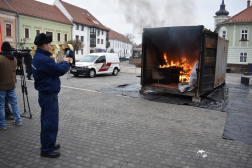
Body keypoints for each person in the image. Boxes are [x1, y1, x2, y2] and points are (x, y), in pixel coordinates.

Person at [32, 33, 70, 158]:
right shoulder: (44, 59)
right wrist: (66, 62)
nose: (50, 46)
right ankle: (47, 149)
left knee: (46, 121)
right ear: (44, 45)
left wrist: (60, 62)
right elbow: (59, 70)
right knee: (50, 122)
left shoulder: (38, 57)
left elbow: (53, 68)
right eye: (49, 44)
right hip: (49, 95)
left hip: (45, 94)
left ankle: (48, 143)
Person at [0, 42, 22, 130]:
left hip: (1, 85)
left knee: (1, 105)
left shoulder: (0, 58)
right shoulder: (14, 59)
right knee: (14, 103)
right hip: (11, 84)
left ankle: (2, 124)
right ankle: (18, 120)